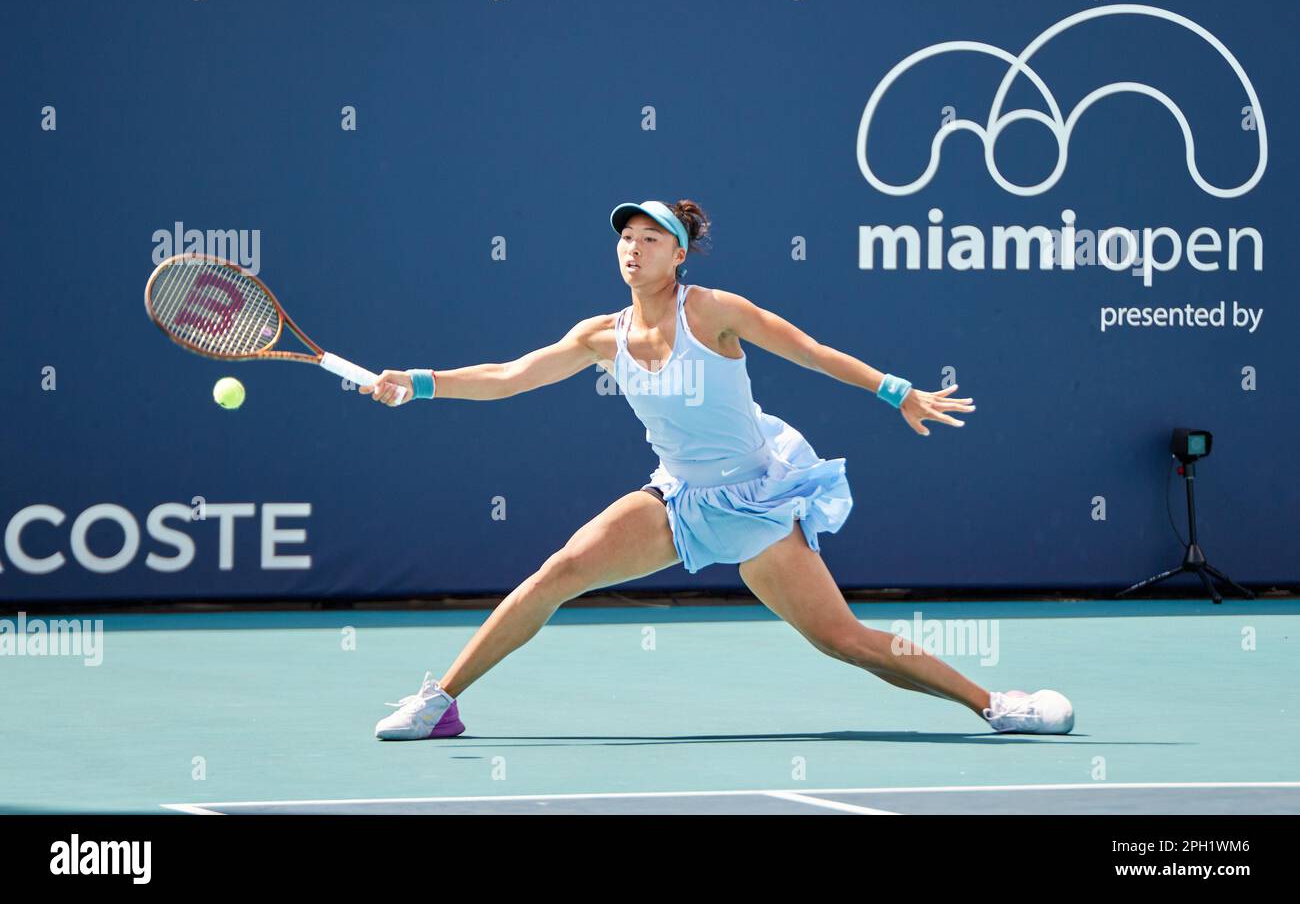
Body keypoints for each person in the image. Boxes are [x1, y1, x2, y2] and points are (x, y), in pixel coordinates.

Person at [361, 199, 1074, 740]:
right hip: (676, 498)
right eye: (625, 238)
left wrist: (898, 392)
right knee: (557, 573)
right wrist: (419, 381)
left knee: (846, 641)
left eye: (649, 239)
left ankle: (996, 706)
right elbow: (510, 376)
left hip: (759, 502)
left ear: (678, 257)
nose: (632, 249)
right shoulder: (599, 336)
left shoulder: (715, 314)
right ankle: (441, 704)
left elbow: (811, 351)